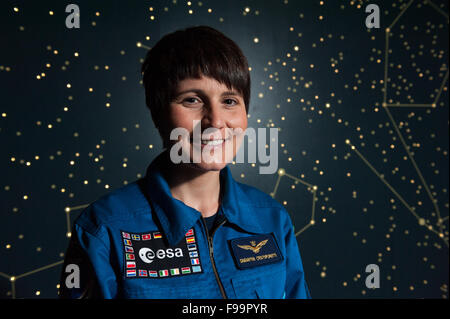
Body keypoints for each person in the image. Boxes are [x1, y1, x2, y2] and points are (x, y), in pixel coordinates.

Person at [59, 25, 311, 299]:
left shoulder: (272, 219)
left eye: (229, 101)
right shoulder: (104, 228)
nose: (215, 121)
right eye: (192, 99)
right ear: (158, 113)